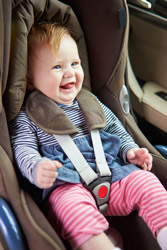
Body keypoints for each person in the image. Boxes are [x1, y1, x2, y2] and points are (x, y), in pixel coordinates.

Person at [10, 23, 167, 250]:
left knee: (147, 182)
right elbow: (23, 148)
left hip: (114, 173)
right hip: (66, 182)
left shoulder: (90, 102)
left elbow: (116, 129)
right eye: (57, 66)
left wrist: (130, 150)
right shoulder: (29, 116)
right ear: (30, 80)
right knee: (70, 208)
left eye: (75, 63)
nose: (69, 72)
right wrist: (36, 167)